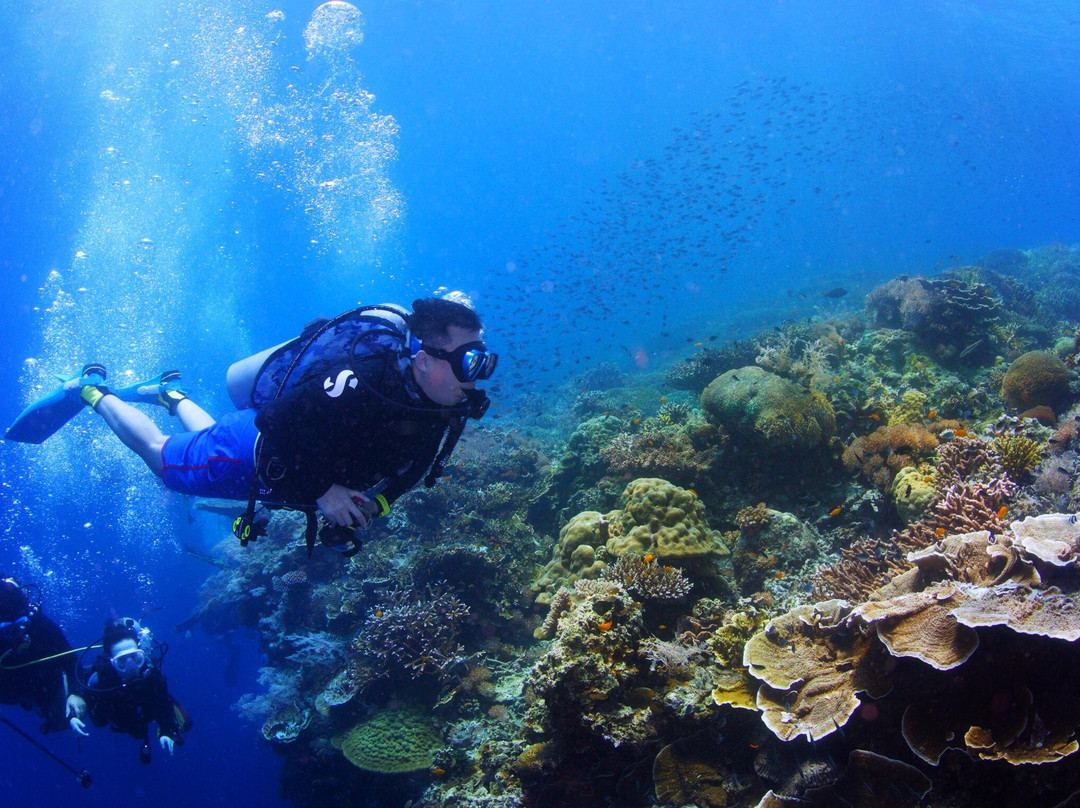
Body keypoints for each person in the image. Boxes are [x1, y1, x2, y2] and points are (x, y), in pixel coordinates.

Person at [69, 297, 496, 547]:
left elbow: (418, 466)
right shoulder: (360, 381)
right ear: (424, 360)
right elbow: (273, 423)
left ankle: (170, 394)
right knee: (162, 459)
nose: (477, 377)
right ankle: (95, 391)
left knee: (200, 436)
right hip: (245, 456)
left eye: (482, 361)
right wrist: (324, 491)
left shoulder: (437, 402)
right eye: (469, 361)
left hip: (276, 461)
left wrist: (374, 507)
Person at [66, 617, 189, 764]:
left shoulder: (151, 675)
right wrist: (73, 714)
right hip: (119, 718)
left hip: (142, 713)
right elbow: (82, 698)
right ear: (112, 663)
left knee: (185, 723)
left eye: (136, 658)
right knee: (99, 721)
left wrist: (166, 730)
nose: (131, 666)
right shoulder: (101, 680)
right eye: (122, 661)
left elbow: (161, 702)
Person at [0, 577, 76, 733]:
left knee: (59, 720)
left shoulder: (40, 625)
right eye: (8, 630)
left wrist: (76, 695)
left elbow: (70, 660)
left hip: (46, 680)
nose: (16, 633)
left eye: (20, 626)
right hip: (13, 687)